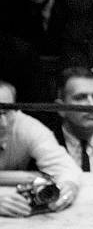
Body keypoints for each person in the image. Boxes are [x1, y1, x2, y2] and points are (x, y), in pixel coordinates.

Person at [0, 80, 81, 217]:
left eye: (7, 111)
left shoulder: (27, 126)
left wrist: (68, 187)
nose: (3, 123)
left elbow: (66, 167)